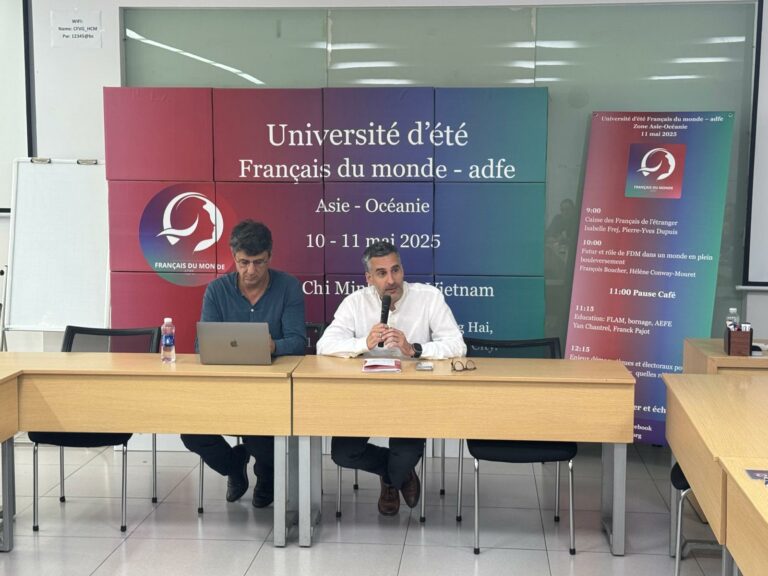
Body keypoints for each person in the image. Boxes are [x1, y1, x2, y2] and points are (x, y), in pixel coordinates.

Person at [316, 241, 466, 516]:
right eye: (381, 273)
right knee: (343, 454)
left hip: (413, 398)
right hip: (364, 397)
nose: (391, 280)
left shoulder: (428, 298)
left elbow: (457, 345)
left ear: (402, 270)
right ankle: (396, 475)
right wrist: (363, 343)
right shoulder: (355, 302)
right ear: (369, 278)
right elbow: (324, 345)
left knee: (405, 456)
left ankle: (392, 478)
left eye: (395, 270)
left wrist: (414, 349)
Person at [181, 220, 305, 508]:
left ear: (270, 256)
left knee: (259, 436)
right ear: (233, 256)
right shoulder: (217, 290)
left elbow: (298, 341)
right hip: (225, 386)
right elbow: (202, 346)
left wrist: (273, 346)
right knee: (191, 433)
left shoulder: (288, 287)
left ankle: (266, 476)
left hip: (270, 388)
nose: (251, 271)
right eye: (244, 262)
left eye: (259, 262)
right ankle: (233, 465)